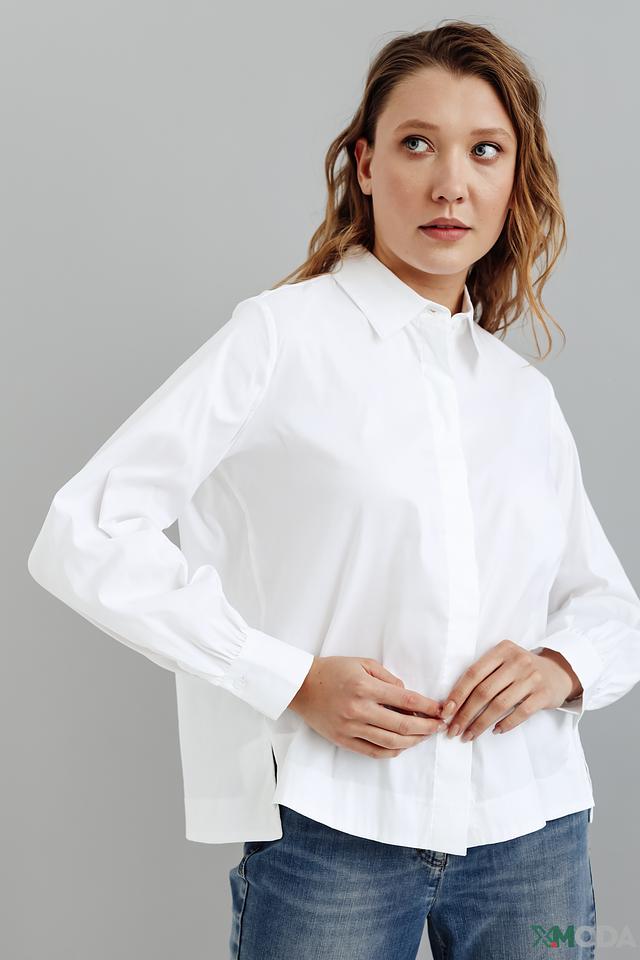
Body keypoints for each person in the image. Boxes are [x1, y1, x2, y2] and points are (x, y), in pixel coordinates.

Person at [27, 19, 640, 960]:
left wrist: (563, 665)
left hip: (533, 830)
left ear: (515, 178)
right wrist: (288, 679)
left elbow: (610, 606)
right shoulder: (280, 339)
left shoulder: (520, 395)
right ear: (364, 165)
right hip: (334, 832)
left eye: (484, 150)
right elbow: (86, 533)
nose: (451, 183)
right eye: (417, 144)